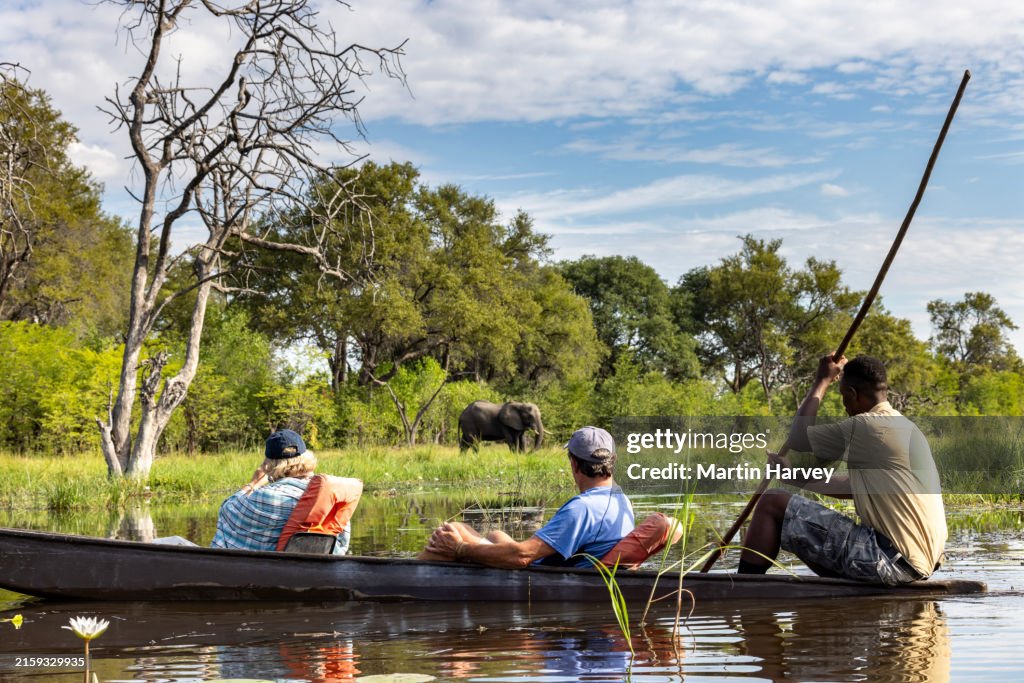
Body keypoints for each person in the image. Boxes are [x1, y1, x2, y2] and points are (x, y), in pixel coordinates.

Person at [738, 354, 947, 585]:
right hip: (914, 566)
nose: (845, 406)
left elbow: (798, 439)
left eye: (843, 398)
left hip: (889, 562)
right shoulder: (906, 427)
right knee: (780, 501)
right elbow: (852, 485)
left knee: (771, 502)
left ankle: (740, 590)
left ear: (852, 394)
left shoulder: (867, 426)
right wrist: (792, 477)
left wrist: (822, 381)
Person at [423, 426, 635, 568]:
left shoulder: (584, 508)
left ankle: (404, 580)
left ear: (574, 463)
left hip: (535, 575)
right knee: (497, 535)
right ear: (612, 462)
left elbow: (522, 557)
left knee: (451, 532)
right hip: (559, 566)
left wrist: (461, 548)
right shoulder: (621, 500)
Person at [211, 429, 361, 555]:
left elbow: (227, 510)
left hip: (271, 575)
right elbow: (341, 543)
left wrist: (253, 484)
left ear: (269, 465)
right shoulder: (331, 496)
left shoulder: (267, 497)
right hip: (319, 572)